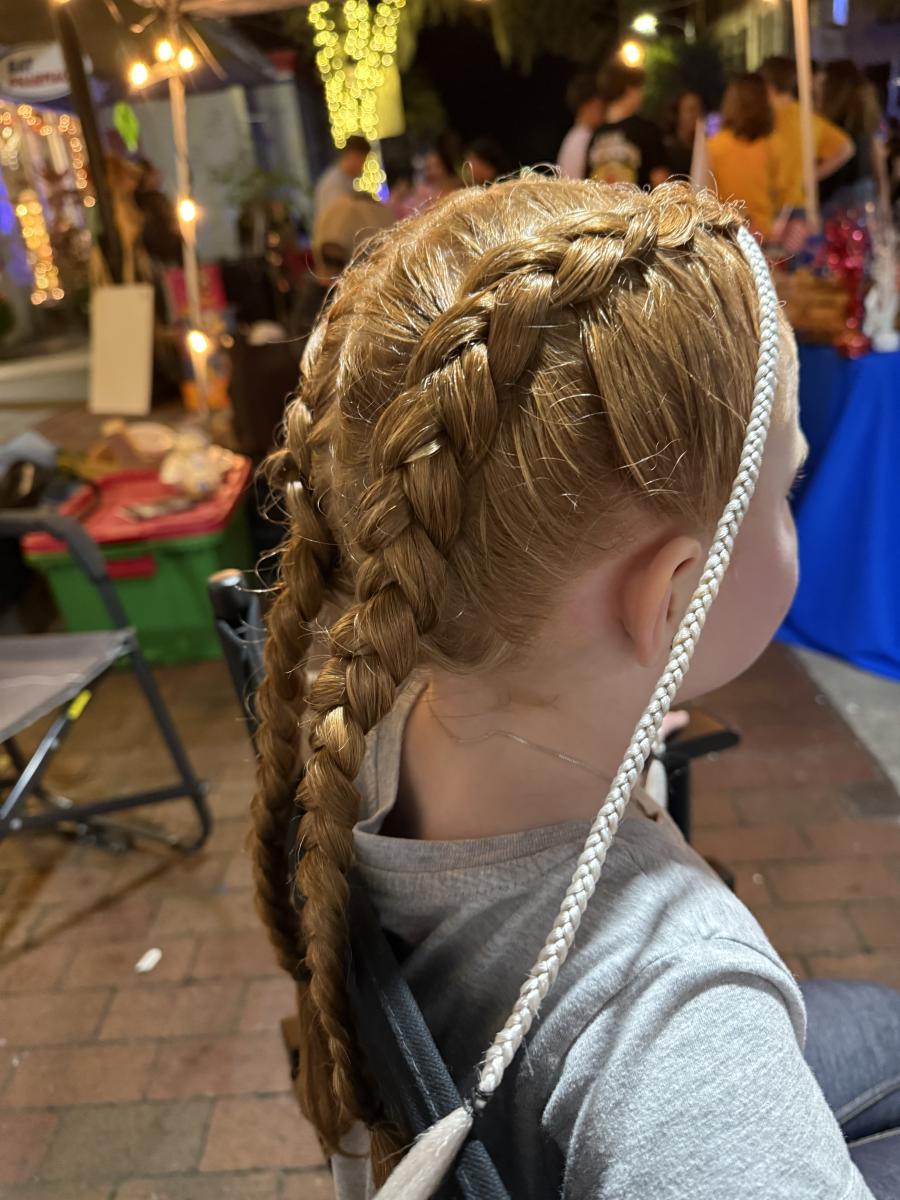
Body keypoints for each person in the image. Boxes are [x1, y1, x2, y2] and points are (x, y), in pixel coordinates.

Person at [249, 177, 900, 1198]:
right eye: (785, 488)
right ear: (671, 596)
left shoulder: (391, 699)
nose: (795, 515)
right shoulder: (684, 1015)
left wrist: (613, 716)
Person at [760, 56, 854, 215]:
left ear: (766, 84)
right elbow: (845, 148)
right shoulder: (806, 118)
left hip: (769, 203)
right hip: (798, 204)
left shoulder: (761, 120)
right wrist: (809, 177)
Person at [707, 74, 778, 238]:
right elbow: (778, 194)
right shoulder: (771, 146)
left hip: (728, 235)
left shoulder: (713, 147)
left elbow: (707, 197)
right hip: (767, 235)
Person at [585, 61, 669, 188]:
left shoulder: (596, 134)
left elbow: (588, 183)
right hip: (637, 201)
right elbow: (661, 181)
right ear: (629, 89)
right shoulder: (646, 130)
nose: (642, 95)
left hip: (601, 201)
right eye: (639, 88)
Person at [818, 60, 888, 212]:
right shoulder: (865, 118)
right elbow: (877, 163)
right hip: (864, 189)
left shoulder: (832, 123)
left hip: (837, 193)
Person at [557, 73, 606, 179]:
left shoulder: (576, 136)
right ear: (586, 107)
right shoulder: (580, 140)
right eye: (600, 107)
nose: (603, 113)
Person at [312, 136, 371, 223]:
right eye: (362, 161)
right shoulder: (335, 182)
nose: (362, 167)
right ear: (352, 155)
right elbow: (339, 218)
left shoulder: (345, 179)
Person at [665, 89, 705, 177]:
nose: (697, 115)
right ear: (677, 114)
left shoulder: (705, 151)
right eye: (691, 110)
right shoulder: (666, 151)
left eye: (700, 110)